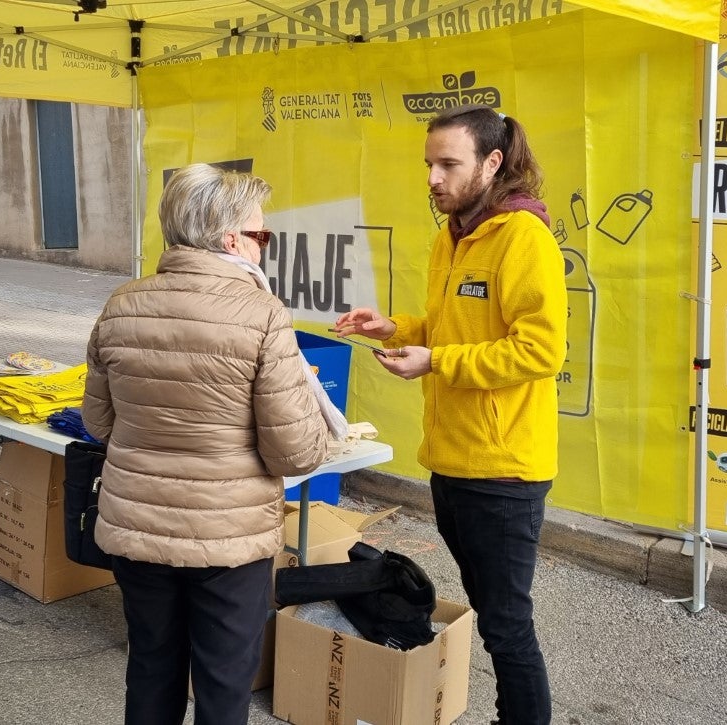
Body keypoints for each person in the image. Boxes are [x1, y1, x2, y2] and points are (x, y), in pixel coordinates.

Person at [333, 104, 567, 725]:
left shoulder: (524, 237)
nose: (433, 178)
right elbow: (453, 328)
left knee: (507, 626)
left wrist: (437, 361)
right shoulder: (453, 234)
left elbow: (541, 350)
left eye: (448, 164)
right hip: (452, 460)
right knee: (496, 617)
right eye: (428, 164)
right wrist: (396, 327)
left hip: (503, 470)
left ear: (493, 163)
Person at [83, 163, 329, 725]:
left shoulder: (122, 304)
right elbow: (294, 453)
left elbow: (97, 422)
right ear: (230, 240)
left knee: (150, 665)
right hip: (228, 537)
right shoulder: (262, 315)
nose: (264, 248)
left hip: (137, 527)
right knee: (222, 684)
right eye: (260, 235)